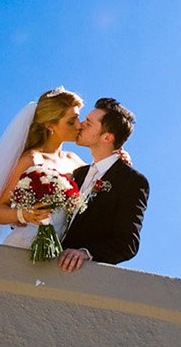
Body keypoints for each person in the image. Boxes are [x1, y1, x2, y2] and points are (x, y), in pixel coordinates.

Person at [0, 88, 84, 248]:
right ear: (50, 125)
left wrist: (120, 157)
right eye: (71, 121)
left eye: (79, 119)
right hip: (27, 246)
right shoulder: (32, 160)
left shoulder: (74, 160)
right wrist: (24, 215)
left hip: (63, 249)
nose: (79, 125)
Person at [57, 98, 148, 273]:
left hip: (77, 276)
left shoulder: (132, 181)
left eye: (89, 124)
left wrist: (86, 253)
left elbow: (127, 243)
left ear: (107, 137)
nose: (80, 125)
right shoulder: (78, 173)